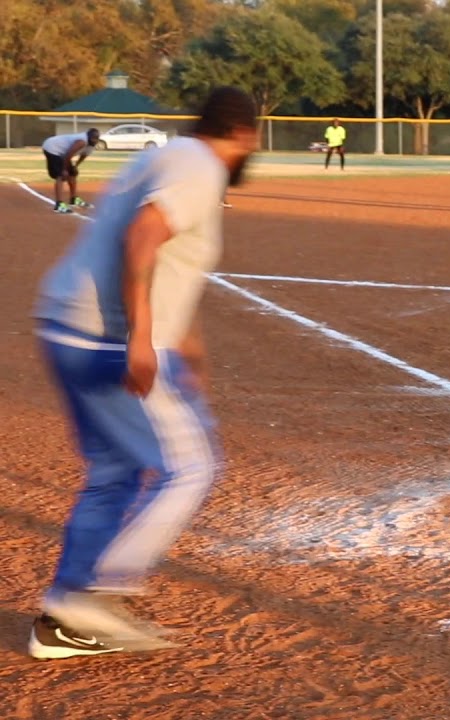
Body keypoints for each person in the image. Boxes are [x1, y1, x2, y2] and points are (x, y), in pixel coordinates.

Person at [27, 86, 259, 660]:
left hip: (64, 325)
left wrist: (189, 350)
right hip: (105, 338)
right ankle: (91, 599)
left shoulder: (165, 156)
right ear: (244, 135)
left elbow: (168, 265)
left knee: (115, 471)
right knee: (191, 468)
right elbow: (144, 238)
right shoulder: (201, 166)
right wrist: (140, 338)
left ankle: (65, 618)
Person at [42, 129, 101, 214]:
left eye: (96, 138)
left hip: (63, 153)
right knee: (61, 176)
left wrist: (75, 166)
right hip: (52, 148)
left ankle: (73, 199)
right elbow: (68, 155)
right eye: (93, 138)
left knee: (73, 173)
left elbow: (83, 156)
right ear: (88, 137)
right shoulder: (81, 142)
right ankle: (59, 205)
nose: (95, 140)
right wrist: (64, 170)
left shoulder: (91, 145)